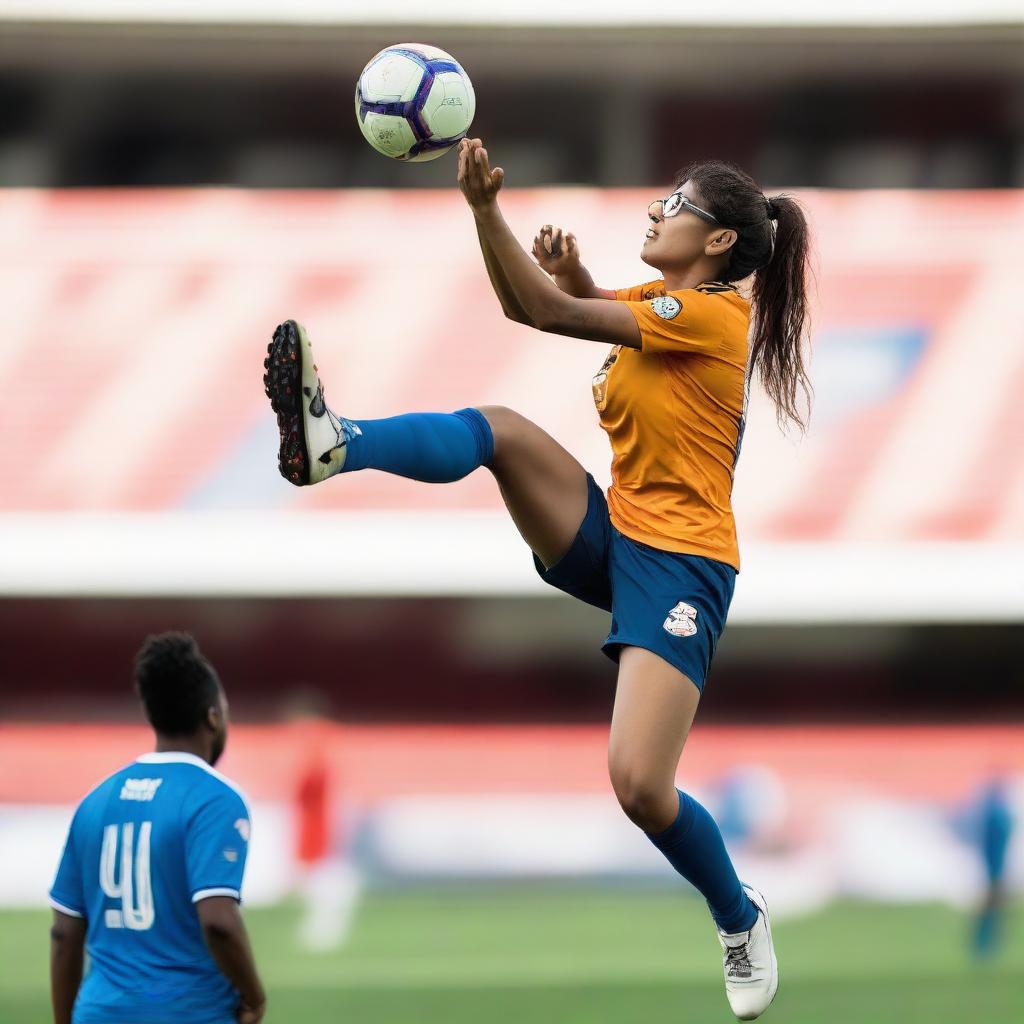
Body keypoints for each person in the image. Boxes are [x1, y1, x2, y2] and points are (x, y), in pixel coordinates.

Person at [263, 137, 811, 1020]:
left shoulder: (714, 316)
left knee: (638, 786)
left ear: (717, 244)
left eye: (675, 203)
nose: (655, 211)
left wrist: (491, 214)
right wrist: (532, 247)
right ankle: (337, 442)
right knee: (502, 430)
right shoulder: (668, 301)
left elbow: (548, 312)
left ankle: (738, 913)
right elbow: (545, 304)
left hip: (682, 566)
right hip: (618, 533)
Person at [49, 633, 266, 1024]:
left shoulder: (96, 800)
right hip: (190, 1013)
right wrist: (255, 997)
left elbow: (64, 933)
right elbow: (218, 921)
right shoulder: (214, 799)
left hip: (99, 1013)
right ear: (213, 717)